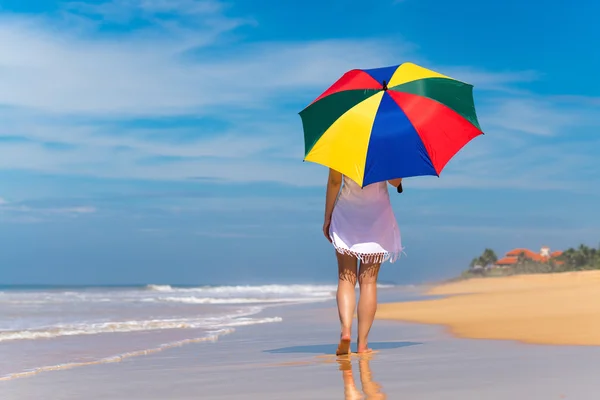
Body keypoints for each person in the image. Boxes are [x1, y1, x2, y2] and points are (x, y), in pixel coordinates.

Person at [323, 168, 403, 355]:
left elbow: (335, 182)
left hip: (346, 214)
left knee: (345, 277)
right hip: (377, 216)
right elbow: (395, 181)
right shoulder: (385, 144)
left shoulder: (341, 142)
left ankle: (346, 331)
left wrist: (327, 217)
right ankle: (362, 344)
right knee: (368, 282)